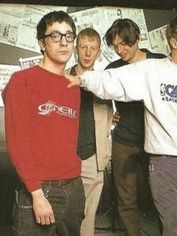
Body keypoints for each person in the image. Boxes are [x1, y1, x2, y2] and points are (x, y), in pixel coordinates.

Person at [65, 12, 177, 236]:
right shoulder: (152, 69)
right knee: (172, 226)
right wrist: (82, 79)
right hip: (161, 163)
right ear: (174, 42)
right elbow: (114, 80)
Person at [2, 11, 85, 236]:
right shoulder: (22, 81)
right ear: (41, 43)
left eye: (69, 36)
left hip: (74, 187)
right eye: (55, 36)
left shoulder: (73, 87)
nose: (64, 42)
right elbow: (18, 143)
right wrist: (36, 193)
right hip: (39, 189)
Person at [104, 18, 165, 236]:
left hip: (157, 141)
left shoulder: (160, 62)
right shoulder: (113, 68)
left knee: (161, 197)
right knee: (126, 198)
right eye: (115, 45)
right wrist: (110, 116)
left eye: (124, 43)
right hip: (124, 141)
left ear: (136, 38)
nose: (120, 50)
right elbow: (98, 96)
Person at [68, 28, 113, 236]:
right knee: (62, 213)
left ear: (99, 52)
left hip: (92, 156)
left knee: (88, 216)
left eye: (92, 48)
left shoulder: (104, 81)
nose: (87, 53)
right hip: (64, 156)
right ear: (76, 49)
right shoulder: (62, 78)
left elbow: (108, 114)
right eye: (83, 47)